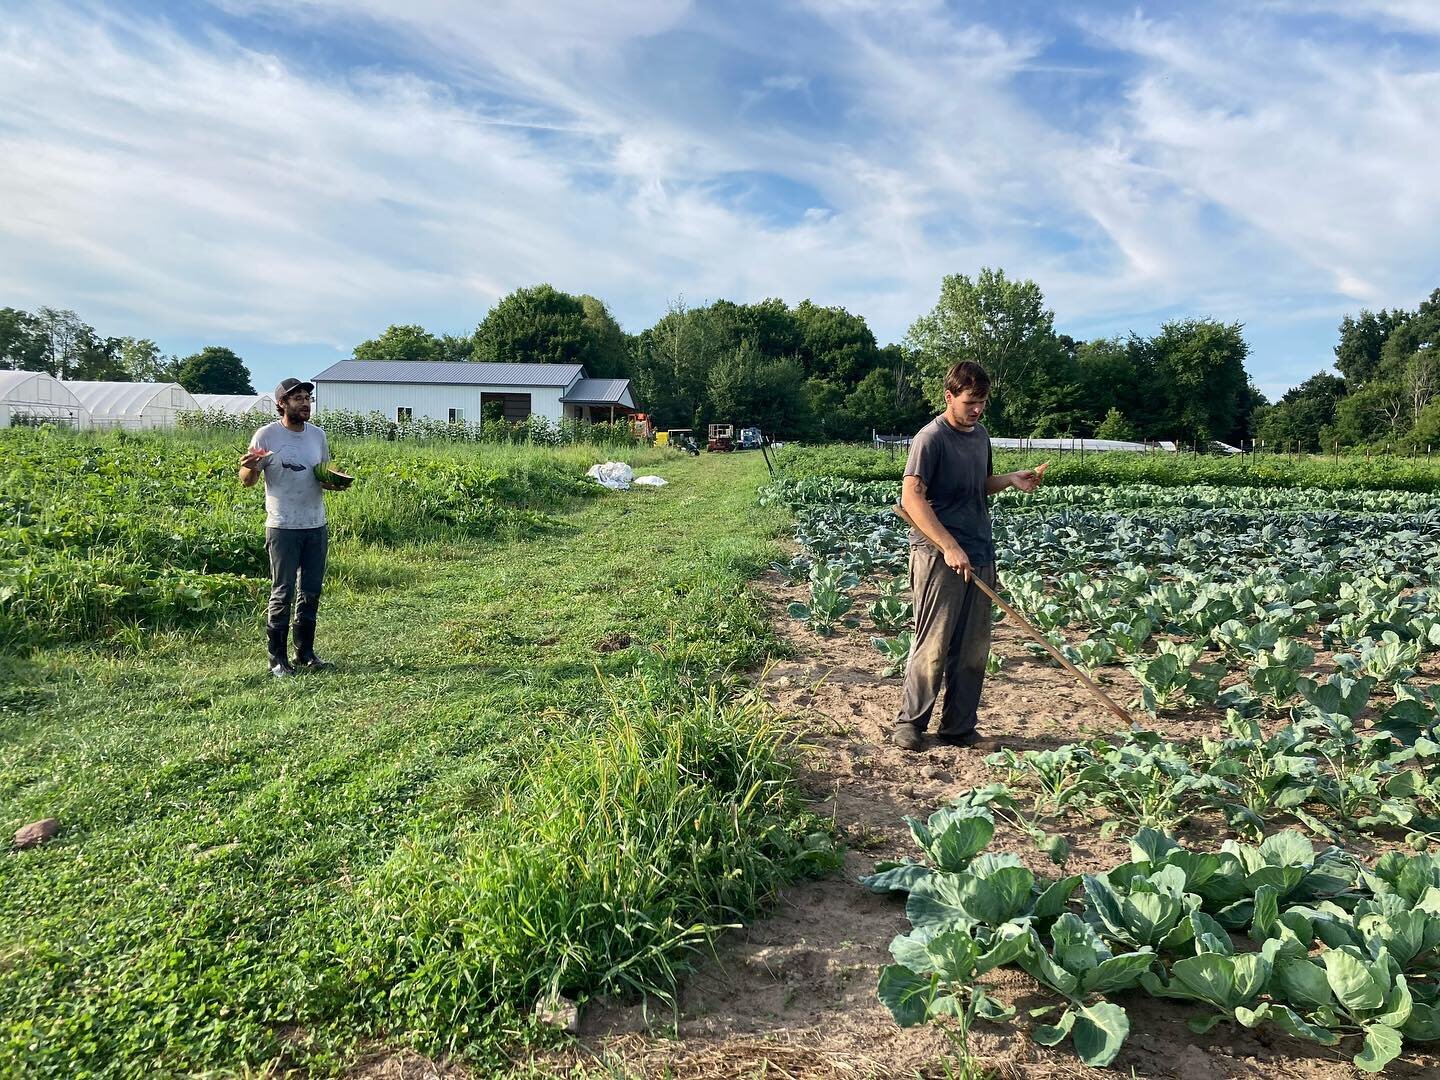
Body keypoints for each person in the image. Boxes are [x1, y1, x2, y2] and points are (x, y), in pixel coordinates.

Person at [892, 360, 1042, 751]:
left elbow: (977, 485)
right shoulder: (931, 438)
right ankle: (910, 724)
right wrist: (948, 545)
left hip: (978, 549)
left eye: (982, 402)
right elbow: (912, 497)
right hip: (937, 553)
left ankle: (959, 728)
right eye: (970, 401)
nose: (976, 409)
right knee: (934, 642)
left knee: (974, 648)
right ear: (949, 397)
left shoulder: (980, 436)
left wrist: (1009, 479)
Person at [238, 378, 341, 676]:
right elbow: (247, 480)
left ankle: (305, 653)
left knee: (310, 591)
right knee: (282, 591)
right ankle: (277, 660)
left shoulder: (317, 436)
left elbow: (321, 476)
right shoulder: (267, 435)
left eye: (307, 397)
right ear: (282, 404)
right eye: (297, 398)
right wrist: (252, 466)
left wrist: (335, 483)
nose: (305, 402)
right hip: (282, 526)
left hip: (315, 524)